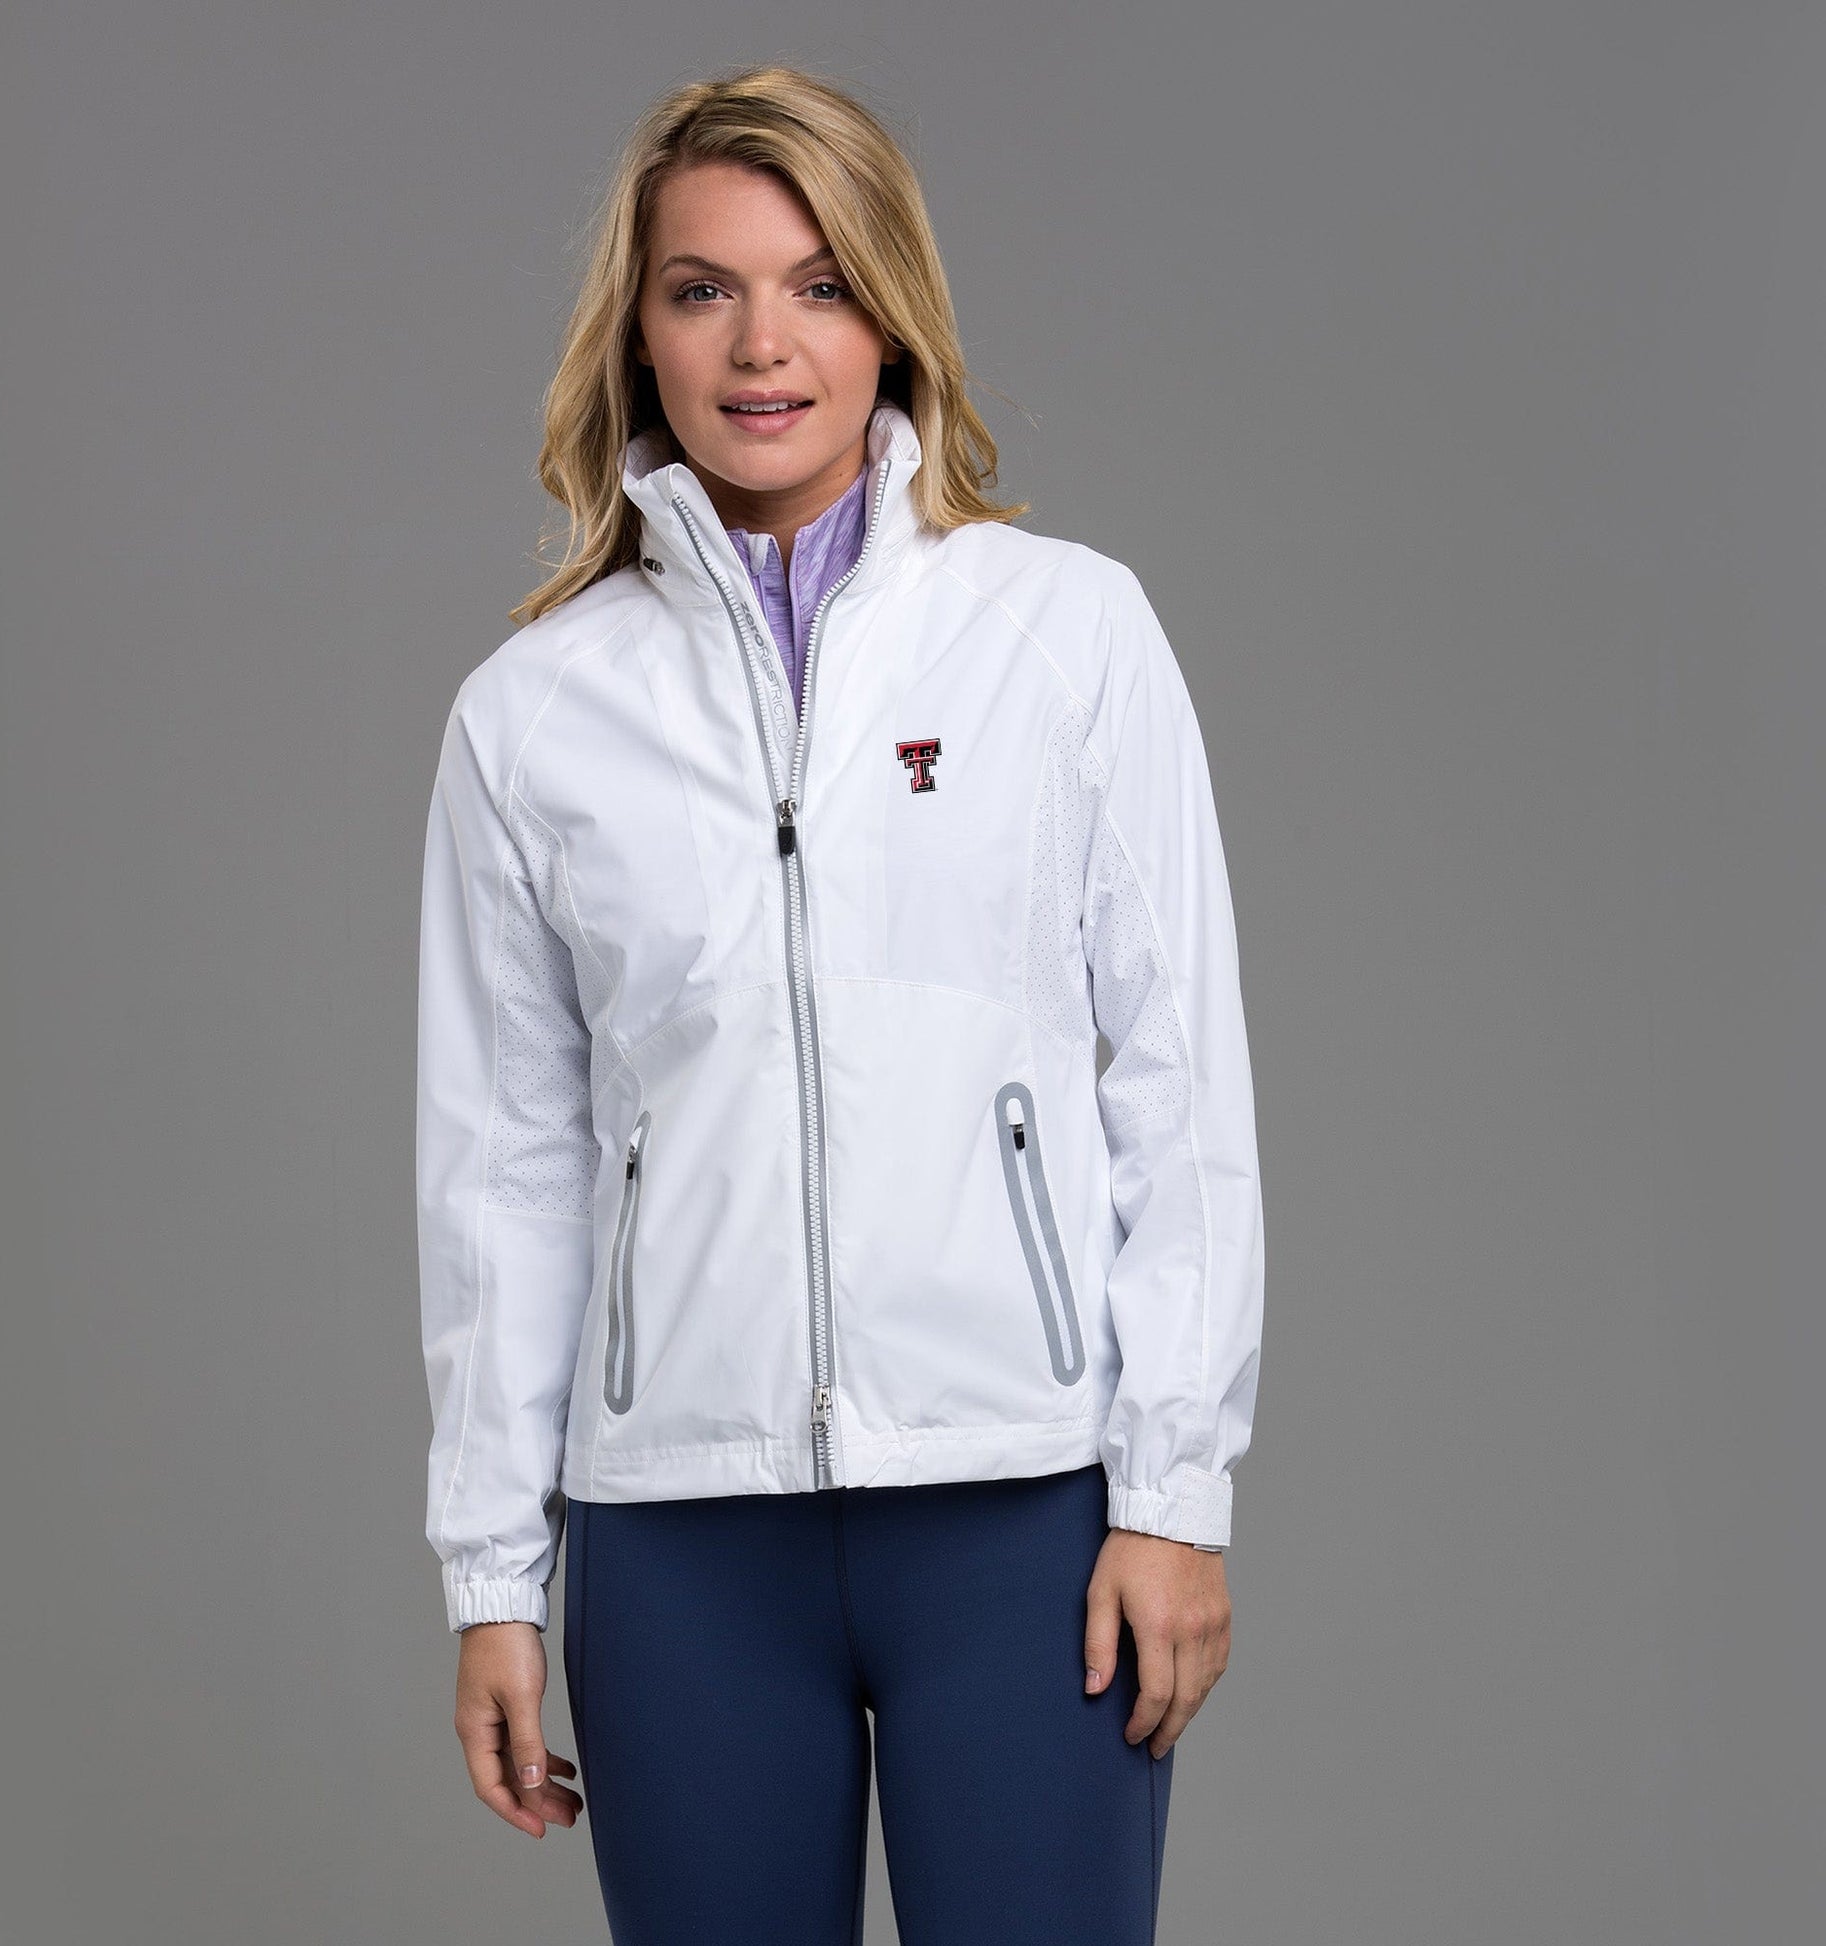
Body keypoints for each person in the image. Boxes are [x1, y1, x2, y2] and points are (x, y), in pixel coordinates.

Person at [414, 62, 1265, 1946]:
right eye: (701, 289)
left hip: (1021, 1511)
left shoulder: (1066, 634)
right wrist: (491, 1573)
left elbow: (1176, 1082)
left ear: (891, 314)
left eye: (816, 283)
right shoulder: (532, 716)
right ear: (638, 333)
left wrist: (1174, 1488)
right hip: (676, 1538)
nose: (760, 343)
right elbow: (504, 1168)